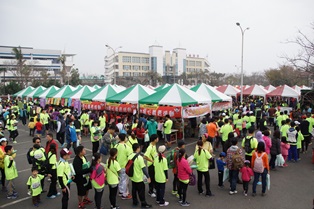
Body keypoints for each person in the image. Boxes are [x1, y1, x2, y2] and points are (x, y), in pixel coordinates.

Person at [128, 143, 152, 208]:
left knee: (134, 190)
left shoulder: (130, 156)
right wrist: (148, 177)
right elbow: (144, 169)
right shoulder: (139, 158)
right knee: (141, 192)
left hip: (132, 177)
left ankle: (135, 202)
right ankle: (143, 203)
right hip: (139, 178)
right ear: (138, 148)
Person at [114, 133, 133, 200]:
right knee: (125, 180)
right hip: (124, 166)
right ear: (125, 138)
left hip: (117, 165)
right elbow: (130, 157)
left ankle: (120, 191)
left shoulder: (116, 145)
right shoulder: (127, 147)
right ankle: (124, 194)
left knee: (120, 179)